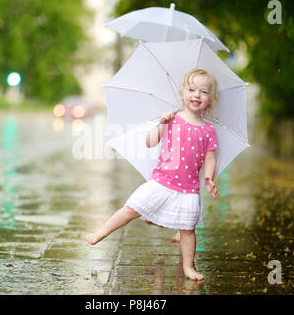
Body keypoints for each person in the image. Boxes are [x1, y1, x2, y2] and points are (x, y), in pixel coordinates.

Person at [85, 69, 219, 281]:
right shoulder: (172, 119)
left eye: (203, 92)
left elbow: (210, 158)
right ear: (182, 93)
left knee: (187, 230)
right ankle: (101, 232)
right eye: (191, 89)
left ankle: (188, 266)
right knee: (131, 208)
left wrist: (209, 178)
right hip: (161, 182)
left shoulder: (208, 130)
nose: (196, 95)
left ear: (210, 99)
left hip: (188, 190)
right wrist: (161, 125)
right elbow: (149, 142)